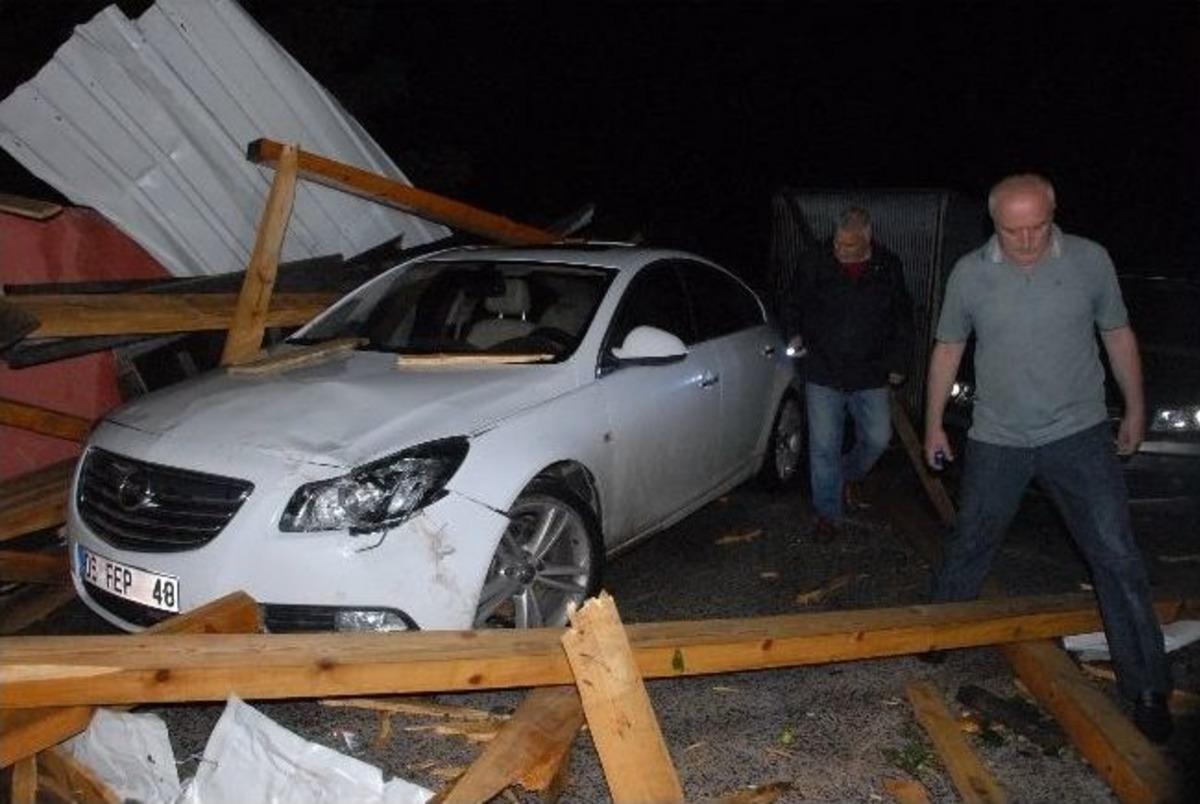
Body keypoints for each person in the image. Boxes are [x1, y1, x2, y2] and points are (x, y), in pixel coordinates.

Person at [923, 174, 1172, 742]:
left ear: (1054, 213)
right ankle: (937, 635)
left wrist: (1135, 410)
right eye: (1014, 231)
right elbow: (948, 347)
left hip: (1078, 434)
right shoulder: (970, 272)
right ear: (995, 224)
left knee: (1115, 553)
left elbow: (1118, 334)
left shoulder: (1090, 261)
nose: (1028, 240)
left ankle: (1149, 685)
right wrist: (933, 422)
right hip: (997, 436)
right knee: (971, 538)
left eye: (1038, 226)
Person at [786, 207, 913, 540]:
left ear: (867, 238)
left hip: (870, 371)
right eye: (838, 244)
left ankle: (842, 476)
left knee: (877, 439)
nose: (841, 251)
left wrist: (900, 362)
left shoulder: (888, 266)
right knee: (823, 446)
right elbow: (792, 304)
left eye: (849, 246)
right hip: (824, 370)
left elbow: (902, 318)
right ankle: (827, 515)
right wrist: (794, 334)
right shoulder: (815, 261)